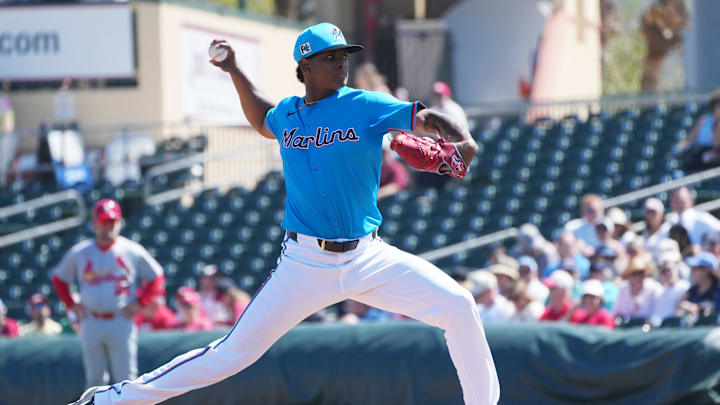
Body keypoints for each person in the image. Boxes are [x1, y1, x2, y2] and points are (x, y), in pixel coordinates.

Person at [71, 23, 499, 405]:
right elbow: (261, 117)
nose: (340, 64)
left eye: (343, 56)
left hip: (367, 257)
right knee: (230, 355)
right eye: (329, 58)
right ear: (305, 66)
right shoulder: (288, 116)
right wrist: (235, 71)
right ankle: (113, 400)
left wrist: (464, 143)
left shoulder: (365, 104)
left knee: (459, 305)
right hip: (304, 262)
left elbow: (426, 118)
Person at [54, 198, 165, 390]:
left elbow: (157, 276)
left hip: (121, 318)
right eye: (102, 222)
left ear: (119, 223)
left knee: (127, 380)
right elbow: (59, 279)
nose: (107, 227)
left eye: (111, 222)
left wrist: (141, 302)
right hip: (91, 319)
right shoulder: (80, 252)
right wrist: (71, 304)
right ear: (93, 224)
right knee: (94, 381)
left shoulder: (131, 250)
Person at [677, 90, 720, 171]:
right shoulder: (704, 120)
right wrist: (683, 144)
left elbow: (717, 144)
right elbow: (691, 137)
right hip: (700, 152)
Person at [676, 253, 720, 317]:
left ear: (706, 270)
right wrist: (684, 305)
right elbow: (678, 304)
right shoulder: (692, 290)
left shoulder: (718, 289)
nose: (692, 272)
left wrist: (699, 307)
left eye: (695, 268)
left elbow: (712, 307)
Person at [652, 252, 690, 320]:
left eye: (668, 269)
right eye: (663, 271)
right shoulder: (659, 292)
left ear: (677, 269)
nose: (667, 273)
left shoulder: (685, 287)